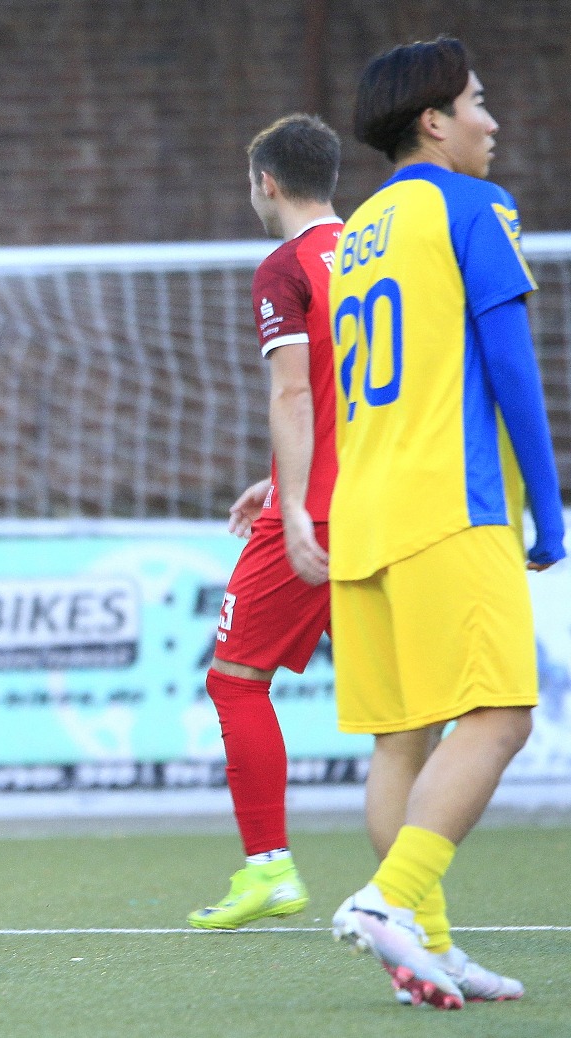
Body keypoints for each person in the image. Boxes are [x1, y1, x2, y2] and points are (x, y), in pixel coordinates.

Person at [328, 36, 562, 1009]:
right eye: (475, 101)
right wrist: (545, 508)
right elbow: (510, 365)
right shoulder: (470, 205)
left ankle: (422, 944)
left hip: (364, 514)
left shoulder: (358, 231)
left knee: (399, 741)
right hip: (448, 505)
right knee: (502, 715)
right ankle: (391, 903)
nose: (490, 120)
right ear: (432, 120)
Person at [186, 114, 341, 930]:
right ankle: (418, 889)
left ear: (267, 183)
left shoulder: (285, 266)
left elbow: (292, 391)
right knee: (405, 702)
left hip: (318, 514)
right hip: (387, 499)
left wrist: (292, 508)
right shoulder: (374, 253)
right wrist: (274, 475)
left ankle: (269, 867)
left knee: (235, 677)